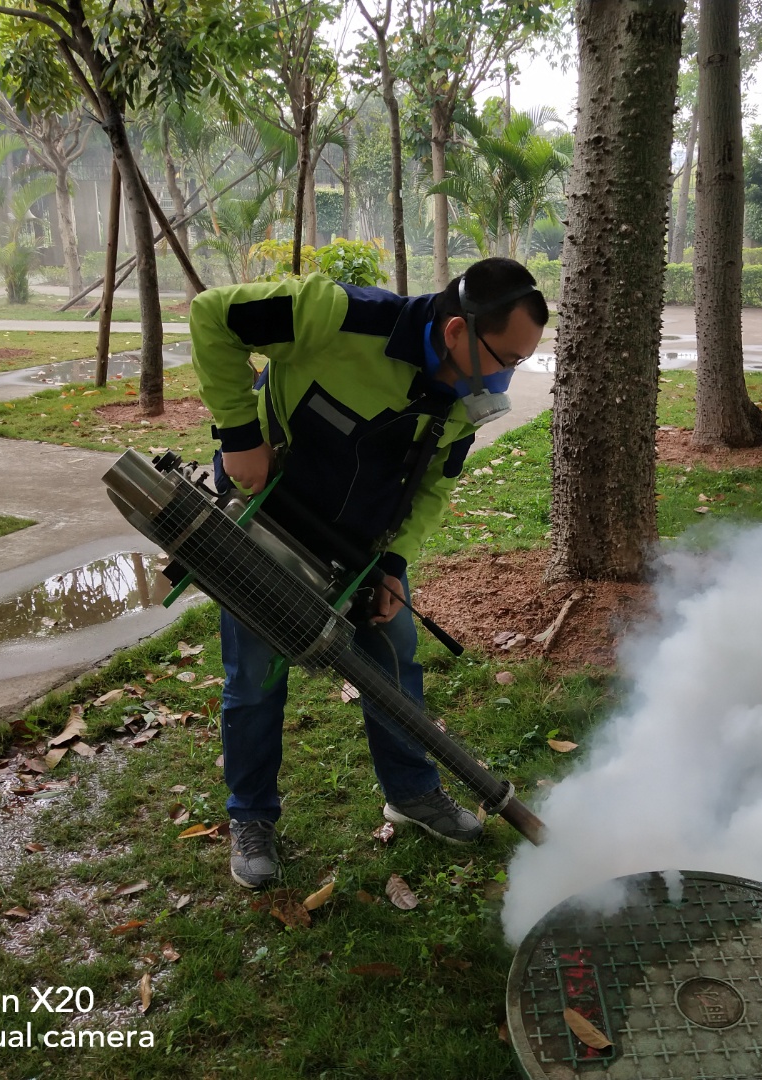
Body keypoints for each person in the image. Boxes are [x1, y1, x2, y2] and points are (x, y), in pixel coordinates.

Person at [189, 256, 548, 889]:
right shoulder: (336, 315)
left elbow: (431, 489)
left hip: (361, 549)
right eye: (507, 358)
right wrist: (238, 434)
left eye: (520, 363)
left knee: (394, 663)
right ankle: (251, 817)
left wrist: (392, 562)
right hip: (268, 521)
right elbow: (212, 316)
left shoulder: (464, 404)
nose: (506, 378)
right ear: (458, 332)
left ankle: (411, 793)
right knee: (253, 679)